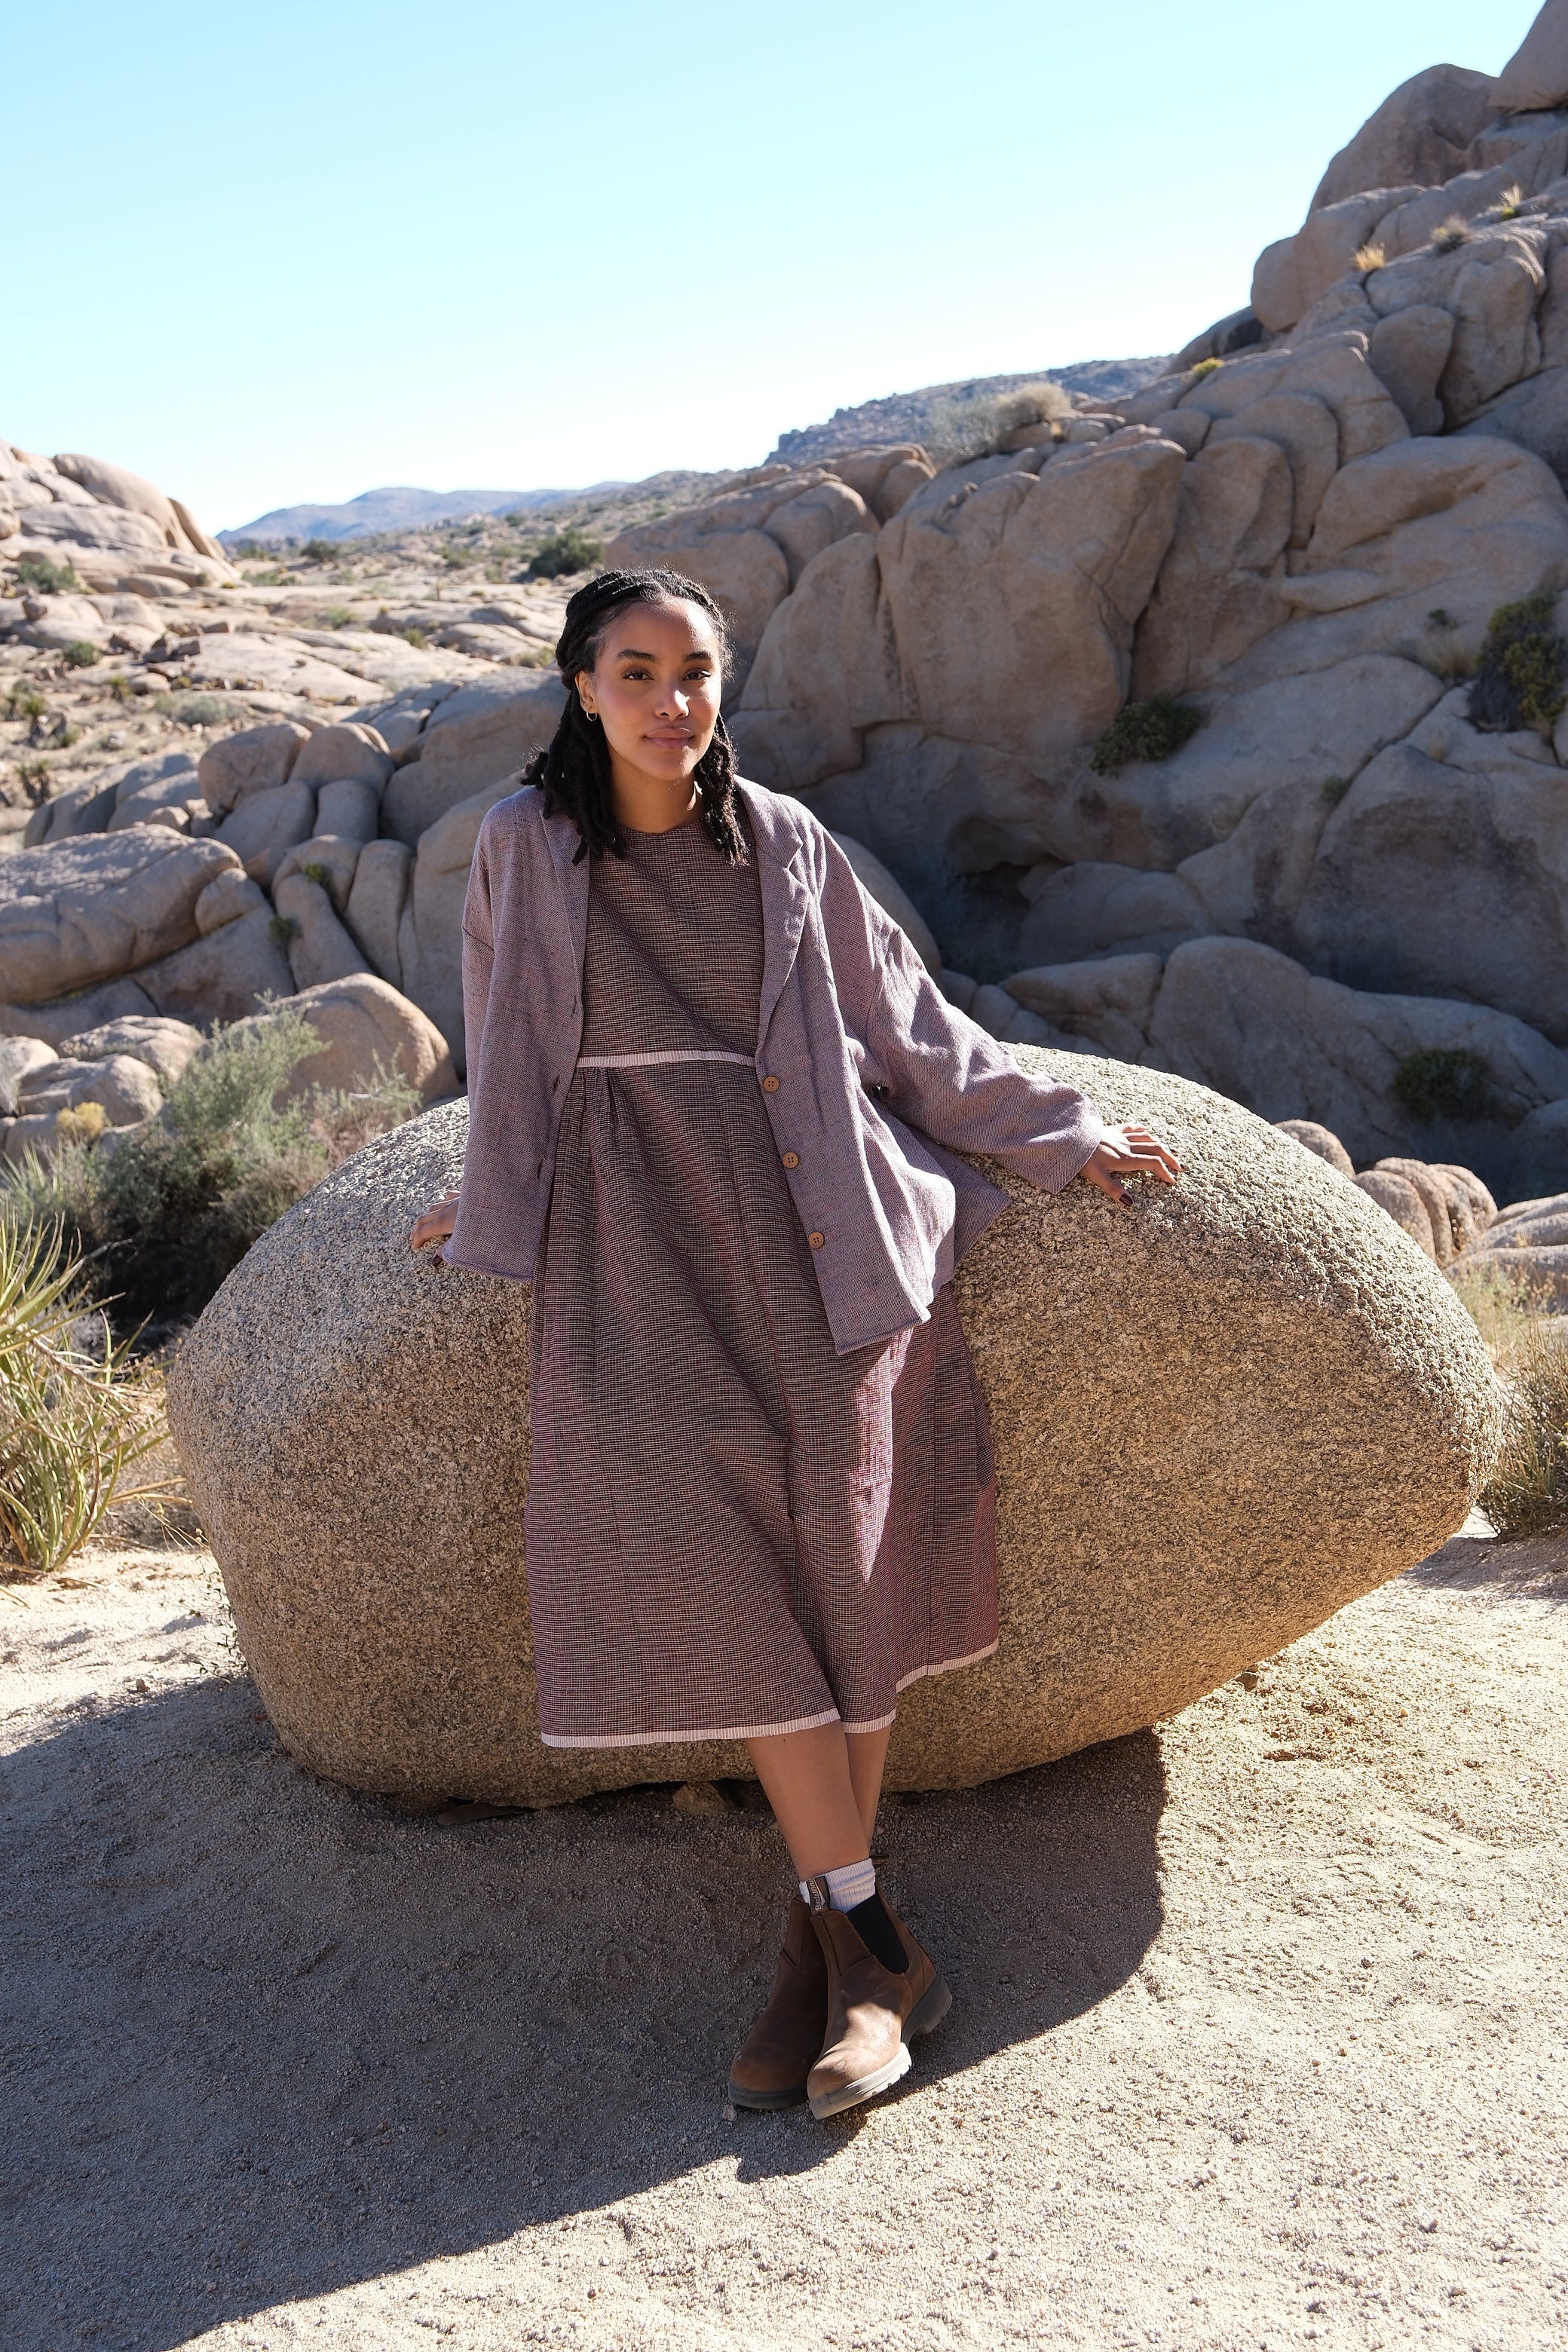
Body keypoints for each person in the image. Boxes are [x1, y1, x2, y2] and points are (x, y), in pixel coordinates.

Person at [411, 565, 1179, 2121]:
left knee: (840, 1566)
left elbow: (906, 1022)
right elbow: (503, 1034)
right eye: (635, 671)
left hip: (809, 1223)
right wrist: (487, 1195)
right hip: (635, 1241)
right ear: (580, 686)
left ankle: (830, 1937)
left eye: (695, 672)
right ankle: (864, 1939)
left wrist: (1061, 1131)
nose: (670, 700)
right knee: (723, 1567)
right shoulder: (523, 842)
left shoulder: (783, 842)